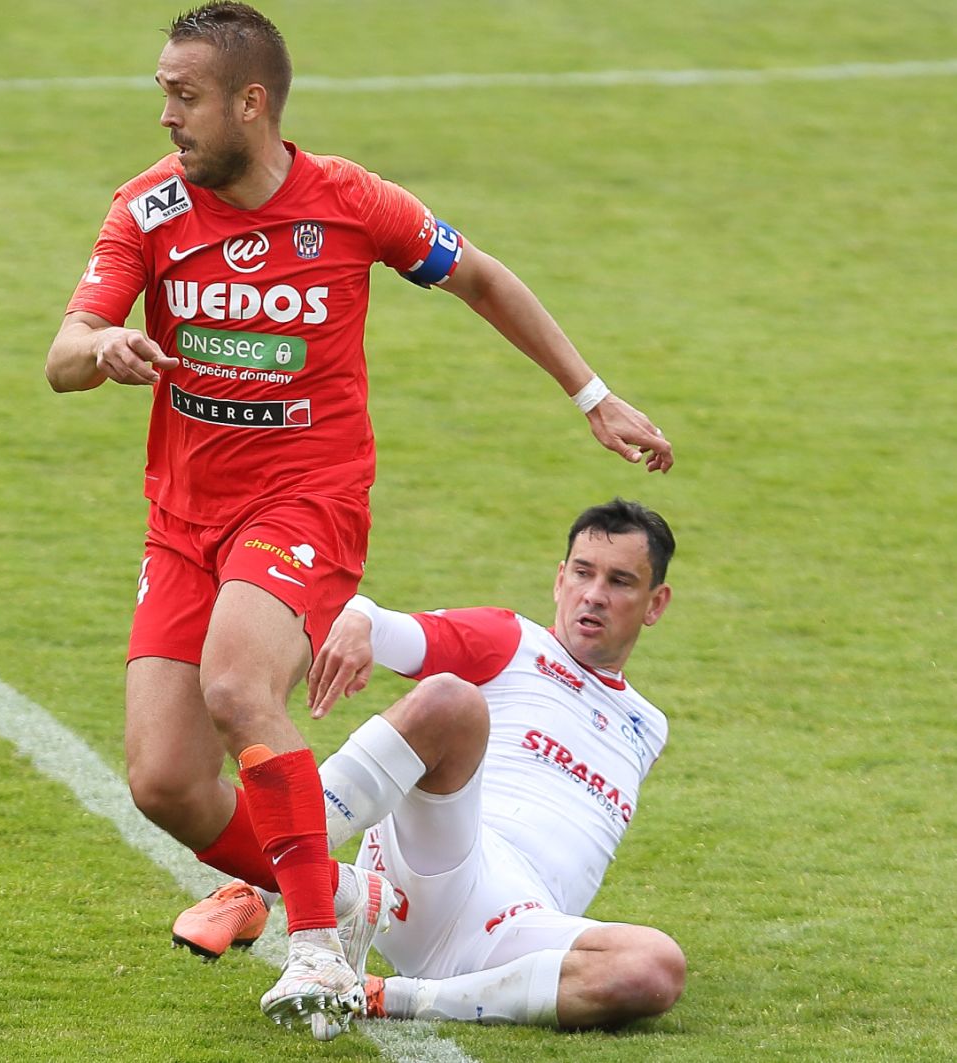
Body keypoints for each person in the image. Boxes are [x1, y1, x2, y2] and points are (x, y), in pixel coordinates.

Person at [45, 1, 674, 1037]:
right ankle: (347, 900)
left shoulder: (348, 203)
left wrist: (589, 394)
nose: (164, 115)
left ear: (251, 104)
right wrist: (102, 350)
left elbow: (475, 275)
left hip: (303, 504)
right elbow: (61, 351)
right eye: (162, 91)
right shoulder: (147, 211)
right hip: (181, 521)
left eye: (182, 94)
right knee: (164, 782)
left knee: (237, 685)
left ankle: (312, 944)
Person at [179, 499, 687, 1032]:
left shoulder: (650, 727)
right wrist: (359, 618)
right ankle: (252, 887)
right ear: (560, 580)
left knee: (654, 967)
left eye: (621, 581)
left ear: (655, 604)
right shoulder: (515, 641)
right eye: (583, 572)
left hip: (518, 927)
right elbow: (383, 626)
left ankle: (382, 996)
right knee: (450, 701)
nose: (595, 594)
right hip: (442, 859)